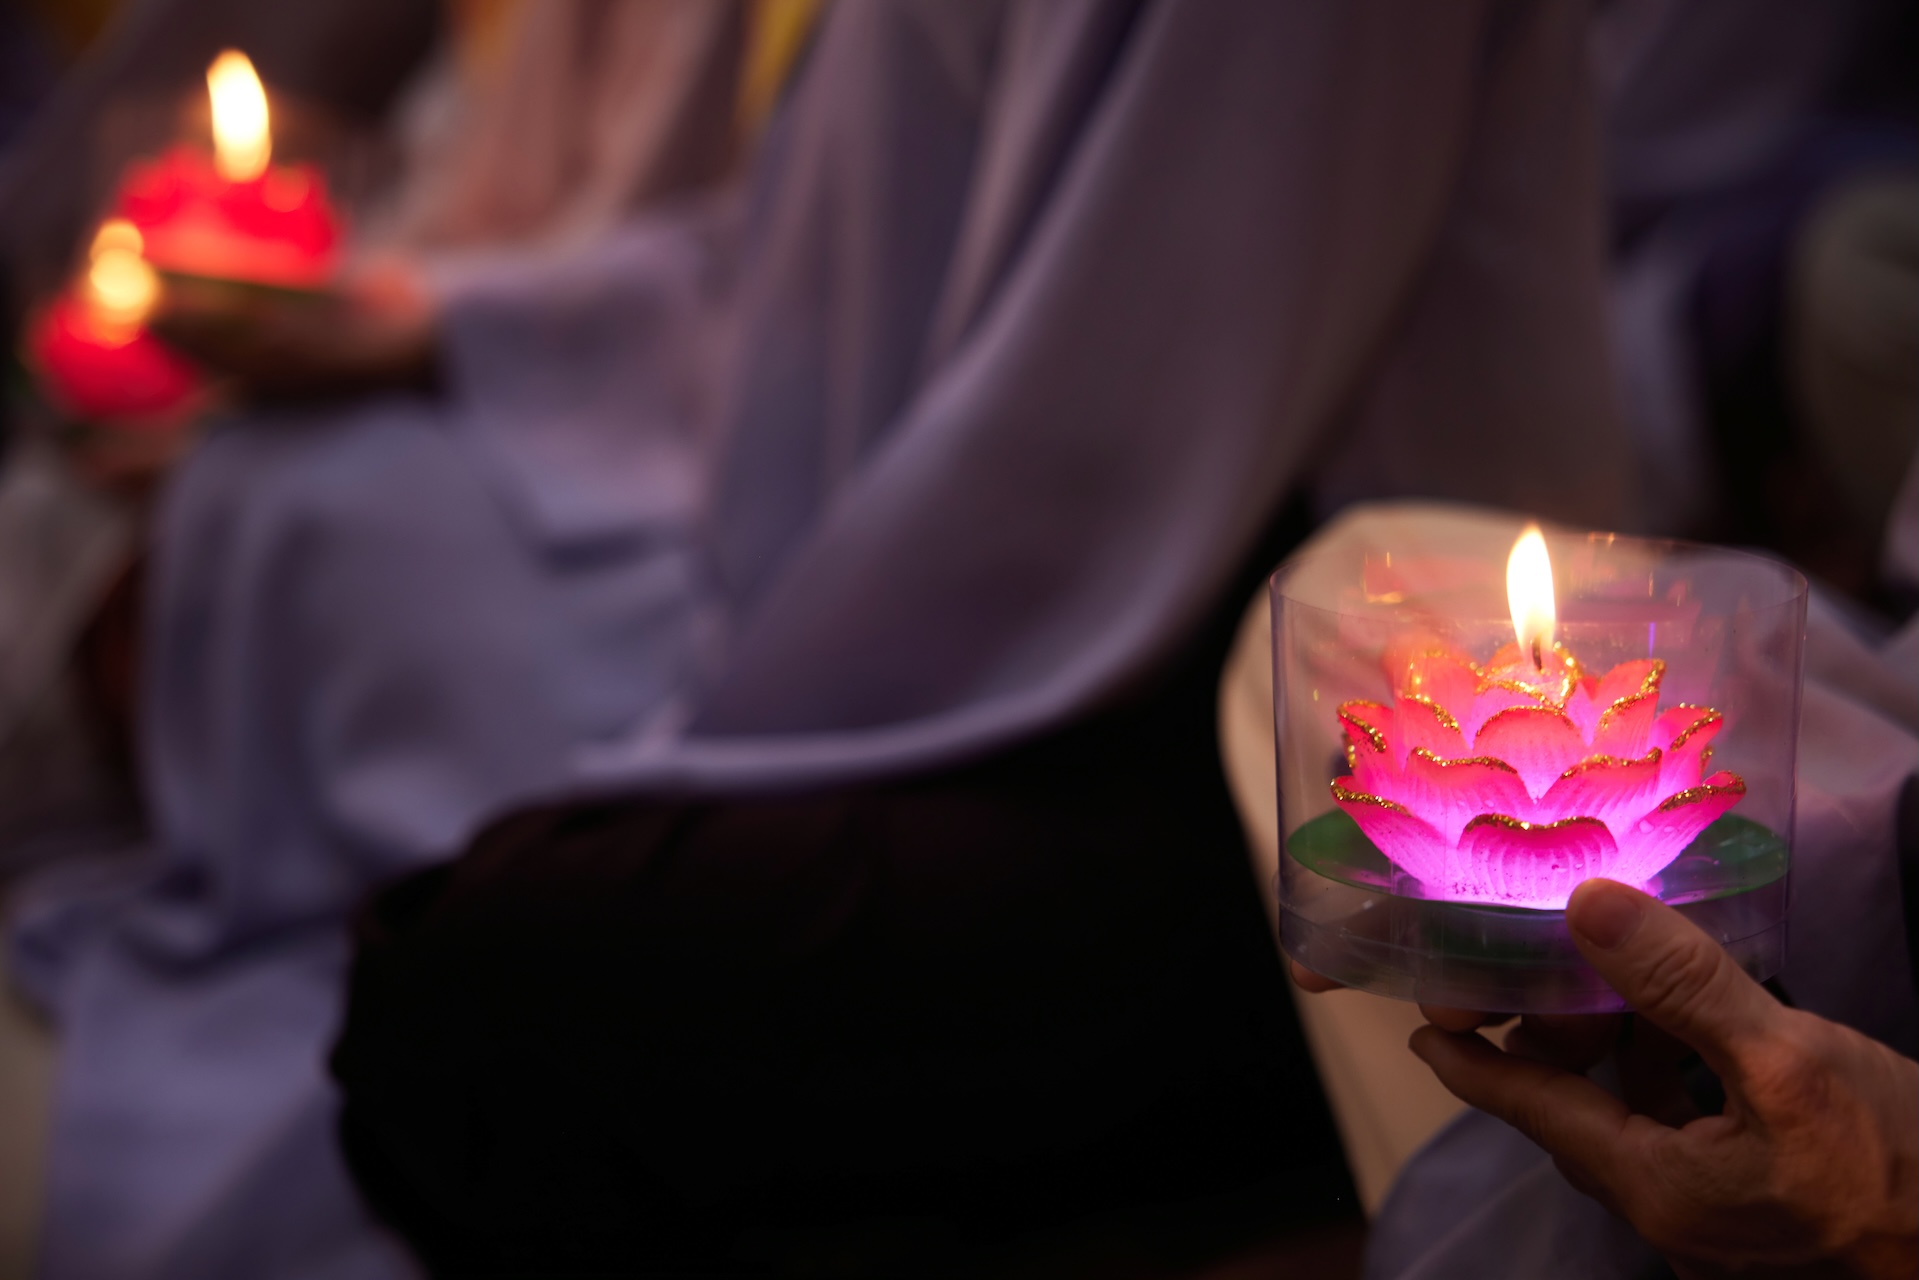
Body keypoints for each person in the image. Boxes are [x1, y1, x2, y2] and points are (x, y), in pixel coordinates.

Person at [325, 0, 1643, 1272]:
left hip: (1279, 750)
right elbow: (799, 254)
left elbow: (1091, 440)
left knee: (468, 1008)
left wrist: (790, 695)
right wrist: (453, 324)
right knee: (306, 543)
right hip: (932, 590)